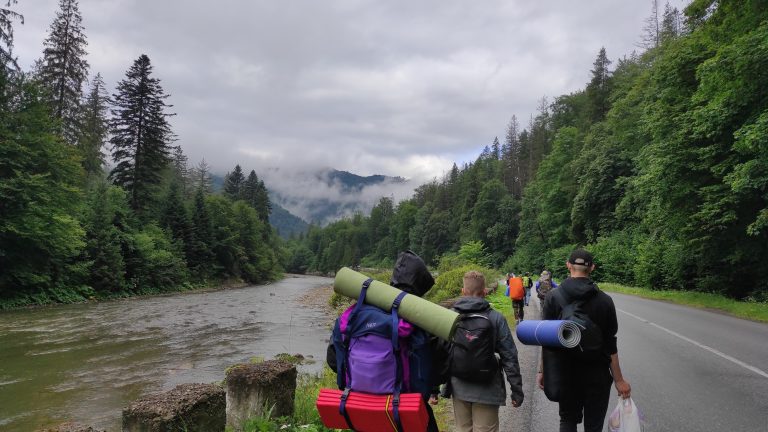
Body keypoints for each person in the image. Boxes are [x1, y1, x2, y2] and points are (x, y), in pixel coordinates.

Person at [326, 250, 440, 432]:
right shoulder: (420, 321)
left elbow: (334, 359)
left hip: (361, 408)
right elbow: (437, 369)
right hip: (404, 410)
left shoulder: (357, 313)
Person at [536, 249, 631, 432]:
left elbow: (547, 341)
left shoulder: (553, 297)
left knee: (567, 420)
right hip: (597, 374)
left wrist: (544, 370)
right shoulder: (605, 301)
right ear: (592, 268)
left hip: (566, 372)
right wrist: (619, 380)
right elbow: (610, 344)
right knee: (594, 426)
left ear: (568, 265)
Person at [449, 270, 524, 432]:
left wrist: (434, 389)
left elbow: (442, 352)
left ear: (463, 291)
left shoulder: (451, 316)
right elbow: (509, 356)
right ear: (484, 292)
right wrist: (516, 389)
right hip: (488, 388)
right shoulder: (496, 318)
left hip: (458, 387)